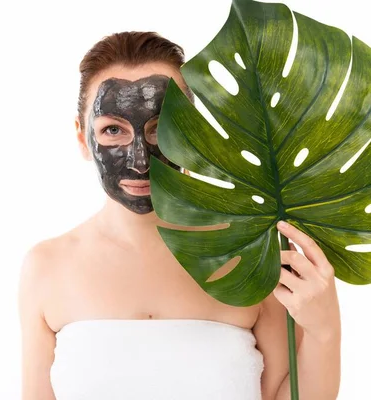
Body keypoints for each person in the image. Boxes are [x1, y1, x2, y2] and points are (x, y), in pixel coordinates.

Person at [18, 31, 341, 400]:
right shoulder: (46, 267)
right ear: (82, 139)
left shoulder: (249, 256)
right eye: (112, 130)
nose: (140, 161)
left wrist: (324, 329)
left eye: (161, 129)